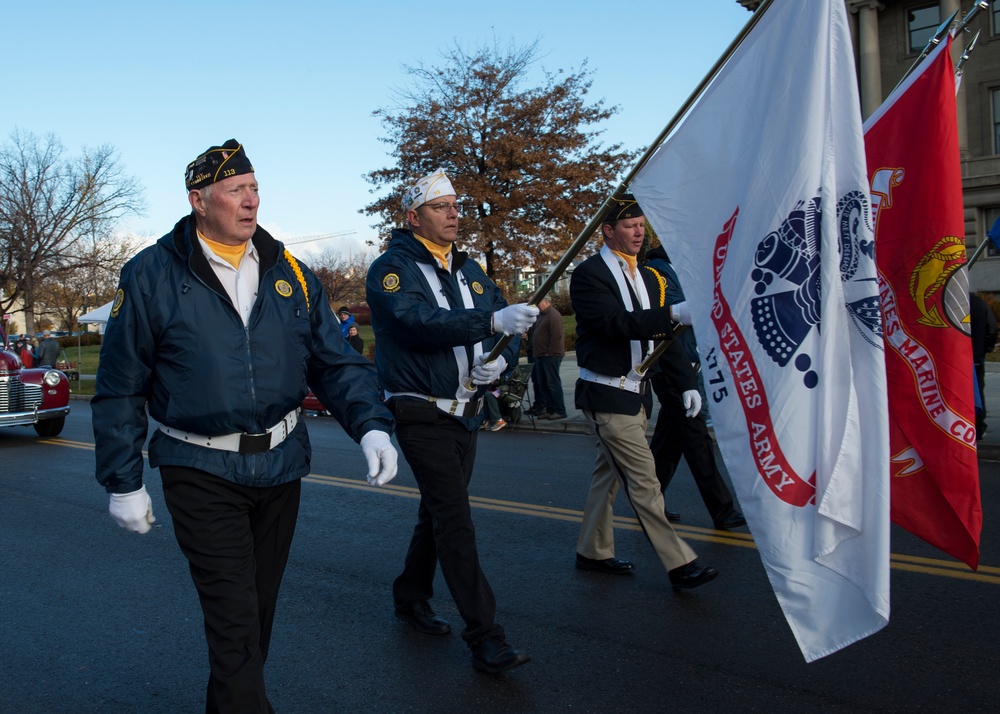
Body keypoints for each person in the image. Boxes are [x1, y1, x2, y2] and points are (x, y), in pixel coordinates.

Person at [92, 139, 398, 714]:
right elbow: (120, 386)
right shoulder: (152, 275)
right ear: (199, 200)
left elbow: (334, 362)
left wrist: (371, 425)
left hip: (280, 466)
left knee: (255, 617)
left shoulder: (293, 274)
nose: (250, 200)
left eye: (254, 188)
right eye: (236, 190)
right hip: (199, 467)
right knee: (234, 622)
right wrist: (123, 480)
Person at [367, 168, 538, 673]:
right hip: (420, 412)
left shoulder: (470, 270)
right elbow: (415, 323)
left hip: (465, 415)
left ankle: (410, 594)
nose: (454, 213)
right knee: (455, 520)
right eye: (442, 207)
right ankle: (486, 637)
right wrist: (487, 323)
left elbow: (513, 320)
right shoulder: (391, 269)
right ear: (413, 216)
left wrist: (501, 357)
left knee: (438, 514)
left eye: (456, 205)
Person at [571, 194, 718, 591]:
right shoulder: (589, 276)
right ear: (608, 231)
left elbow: (662, 340)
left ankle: (592, 550)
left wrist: (687, 383)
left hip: (637, 394)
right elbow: (615, 322)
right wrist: (671, 314)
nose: (639, 232)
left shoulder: (649, 276)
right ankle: (679, 563)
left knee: (609, 476)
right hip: (605, 393)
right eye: (630, 225)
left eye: (641, 225)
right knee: (644, 480)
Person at [644, 245, 747, 531]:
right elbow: (674, 312)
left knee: (669, 442)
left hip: (686, 364)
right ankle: (722, 510)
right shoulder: (658, 272)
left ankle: (650, 503)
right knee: (696, 436)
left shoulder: (677, 270)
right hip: (672, 365)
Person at [530, 297, 567, 419]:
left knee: (552, 383)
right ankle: (550, 409)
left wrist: (550, 352)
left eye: (538, 302)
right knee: (544, 384)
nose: (536, 305)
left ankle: (559, 410)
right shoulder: (542, 315)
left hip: (550, 356)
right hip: (540, 355)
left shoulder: (553, 315)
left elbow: (556, 336)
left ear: (546, 301)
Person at [970, 291, 997, 439]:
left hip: (970, 353)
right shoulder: (979, 304)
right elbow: (992, 327)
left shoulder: (963, 305)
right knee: (978, 390)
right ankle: (979, 425)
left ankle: (977, 425)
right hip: (977, 354)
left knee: (975, 391)